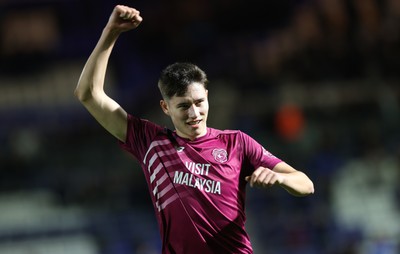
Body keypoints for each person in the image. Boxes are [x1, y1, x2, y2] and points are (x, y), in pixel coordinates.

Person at [74, 5, 314, 254]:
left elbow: (306, 184)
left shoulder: (237, 143)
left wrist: (281, 178)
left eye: (200, 103)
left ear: (207, 97)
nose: (194, 113)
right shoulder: (151, 142)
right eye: (183, 106)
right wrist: (110, 32)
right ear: (165, 107)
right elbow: (89, 94)